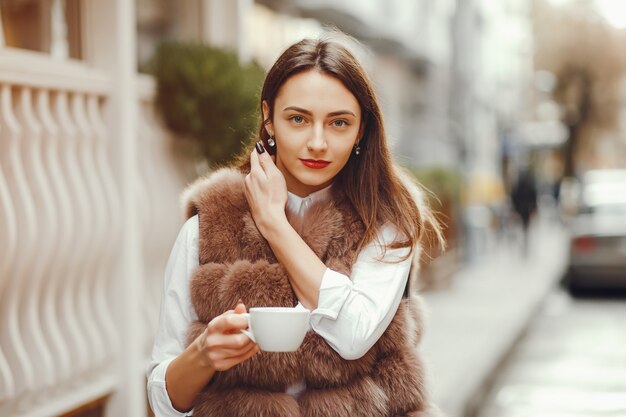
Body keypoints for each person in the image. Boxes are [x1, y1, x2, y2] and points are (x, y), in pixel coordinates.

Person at [147, 35, 444, 417]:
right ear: (269, 118)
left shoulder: (385, 223)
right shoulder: (208, 226)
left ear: (361, 131)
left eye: (339, 122)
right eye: (298, 119)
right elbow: (161, 402)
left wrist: (274, 223)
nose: (317, 142)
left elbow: (352, 334)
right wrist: (204, 354)